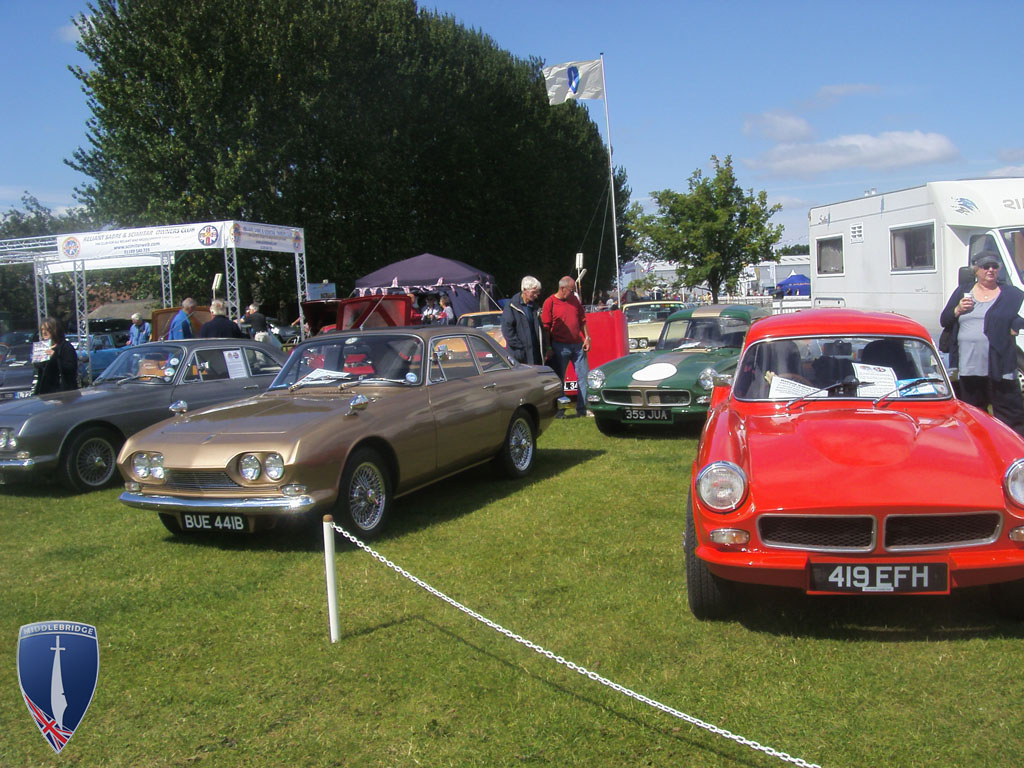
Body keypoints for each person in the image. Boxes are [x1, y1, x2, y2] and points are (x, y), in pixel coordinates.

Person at [940, 249, 1024, 435]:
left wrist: (1015, 324)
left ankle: (1014, 453)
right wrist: (958, 309)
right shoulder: (963, 292)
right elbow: (945, 320)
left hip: (1001, 366)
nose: (990, 270)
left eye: (994, 266)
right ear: (976, 270)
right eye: (986, 266)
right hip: (969, 366)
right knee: (973, 417)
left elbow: (1021, 317)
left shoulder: (1012, 294)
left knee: (1010, 416)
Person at [542, 276, 591, 417]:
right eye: (572, 290)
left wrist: (587, 338)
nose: (574, 293)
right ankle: (560, 411)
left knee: (583, 376)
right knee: (559, 380)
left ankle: (582, 409)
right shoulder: (549, 302)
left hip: (578, 345)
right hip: (559, 346)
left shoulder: (574, 300)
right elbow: (546, 327)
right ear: (562, 289)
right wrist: (549, 347)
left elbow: (582, 320)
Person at [501, 276, 544, 364]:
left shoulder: (535, 307)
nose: (536, 295)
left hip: (535, 354)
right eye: (533, 292)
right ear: (525, 290)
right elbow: (507, 330)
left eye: (537, 292)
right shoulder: (511, 306)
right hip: (520, 354)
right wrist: (520, 347)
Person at [32, 317, 79, 395]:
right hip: (44, 394)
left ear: (55, 330)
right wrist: (37, 360)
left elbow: (70, 369)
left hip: (62, 393)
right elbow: (41, 371)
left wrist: (55, 356)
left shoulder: (66, 347)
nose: (44, 332)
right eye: (42, 329)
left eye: (48, 329)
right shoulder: (43, 347)